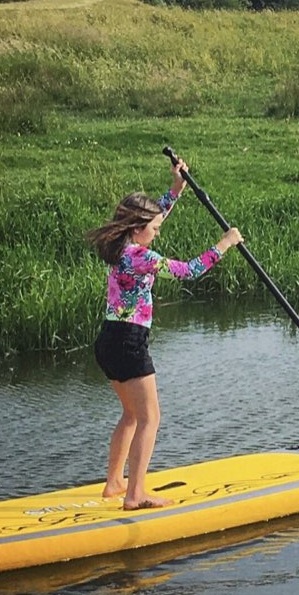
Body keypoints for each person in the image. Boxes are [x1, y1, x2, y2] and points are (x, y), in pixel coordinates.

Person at [85, 159, 242, 510]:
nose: (158, 231)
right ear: (138, 228)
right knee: (149, 418)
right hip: (129, 343)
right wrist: (225, 243)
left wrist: (175, 189)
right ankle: (135, 495)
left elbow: (153, 218)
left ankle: (114, 483)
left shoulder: (119, 246)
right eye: (154, 228)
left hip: (108, 340)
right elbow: (188, 271)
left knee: (130, 415)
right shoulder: (141, 257)